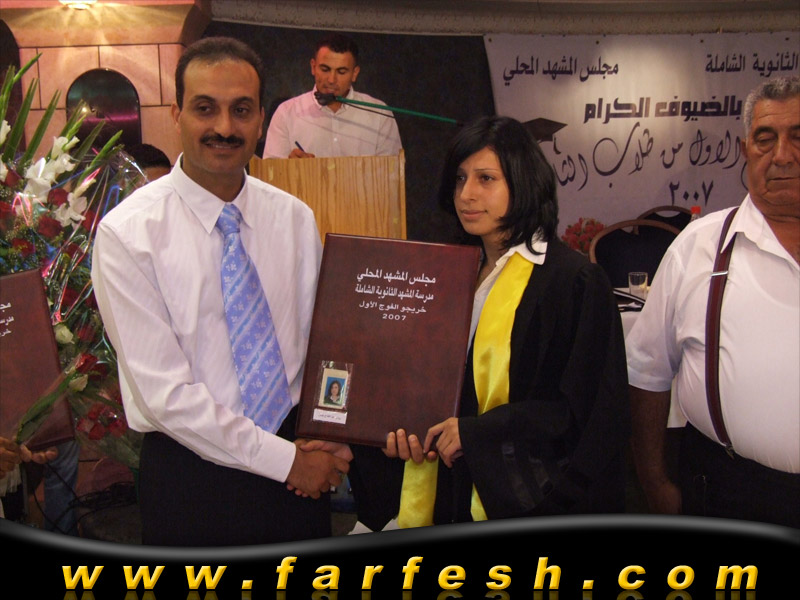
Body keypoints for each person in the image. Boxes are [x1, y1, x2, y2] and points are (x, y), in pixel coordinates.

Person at [91, 36, 351, 546]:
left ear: (261, 120)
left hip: (298, 469)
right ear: (177, 114)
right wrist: (287, 462)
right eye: (205, 108)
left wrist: (334, 433)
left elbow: (324, 348)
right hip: (193, 477)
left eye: (242, 110)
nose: (225, 128)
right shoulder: (128, 234)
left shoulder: (294, 219)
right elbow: (165, 397)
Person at [347, 115, 630, 530]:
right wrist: (394, 428)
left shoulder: (572, 282)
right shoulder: (444, 273)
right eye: (460, 179)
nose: (467, 194)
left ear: (524, 181)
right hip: (444, 495)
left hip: (522, 508)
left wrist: (478, 435)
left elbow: (588, 414)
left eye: (486, 179)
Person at [625, 75, 799, 528]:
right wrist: (654, 483)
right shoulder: (698, 247)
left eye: (798, 136)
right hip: (730, 494)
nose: (783, 155)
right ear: (745, 151)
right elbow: (646, 372)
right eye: (766, 138)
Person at [262, 33, 402, 159]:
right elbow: (271, 173)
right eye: (325, 69)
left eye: (341, 72)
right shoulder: (286, 113)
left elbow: (392, 173)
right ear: (313, 67)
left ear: (354, 74)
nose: (331, 80)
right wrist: (290, 168)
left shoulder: (380, 114)